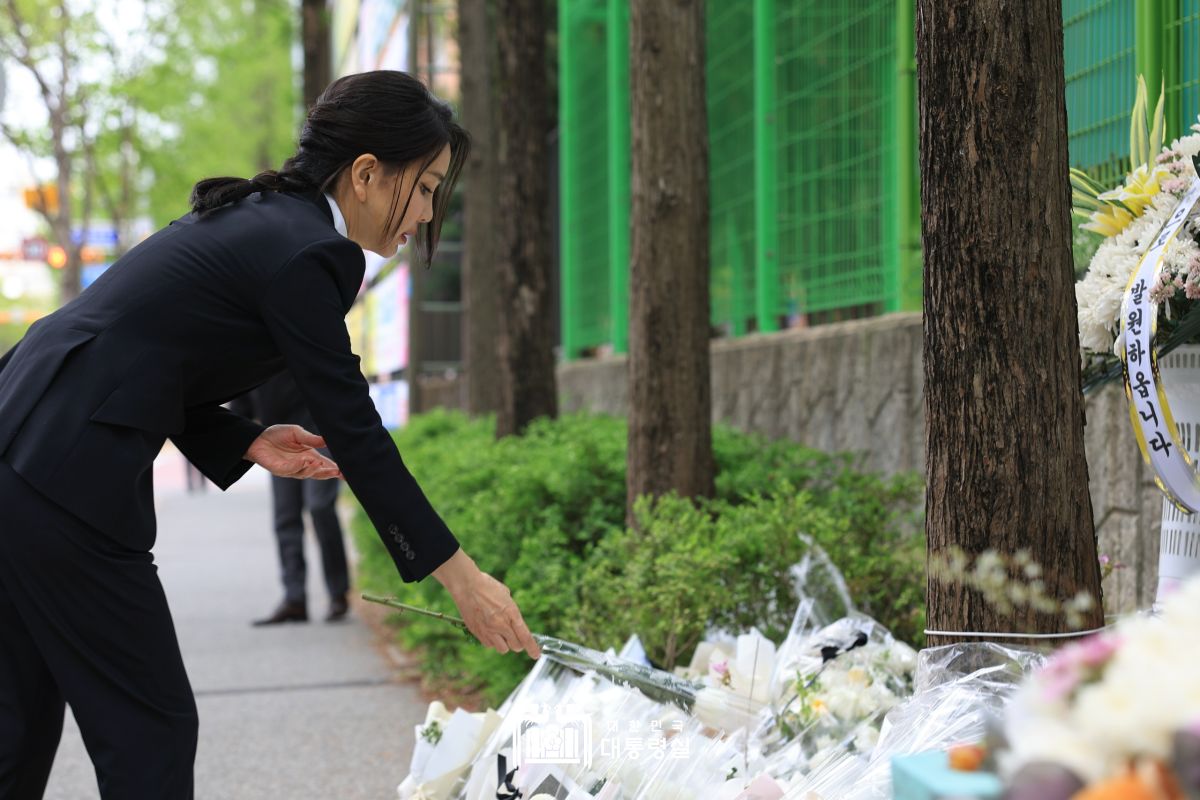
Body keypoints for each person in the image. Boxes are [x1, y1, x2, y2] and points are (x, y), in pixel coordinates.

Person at [0, 71, 539, 800]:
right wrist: (462, 579)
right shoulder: (311, 250)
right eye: (429, 185)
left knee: (21, 727)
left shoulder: (267, 219)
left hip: (23, 442)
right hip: (62, 476)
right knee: (149, 729)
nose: (430, 209)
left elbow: (142, 351)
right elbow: (355, 428)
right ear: (368, 174)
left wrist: (244, 440)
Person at [232, 372, 353, 625]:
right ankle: (294, 598)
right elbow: (239, 408)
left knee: (320, 507)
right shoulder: (244, 349)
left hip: (318, 431)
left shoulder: (298, 335)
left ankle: (338, 593)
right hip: (278, 437)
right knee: (286, 517)